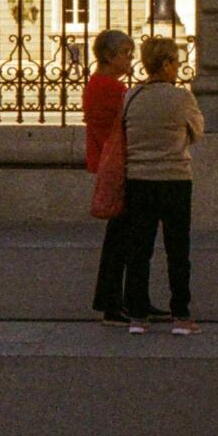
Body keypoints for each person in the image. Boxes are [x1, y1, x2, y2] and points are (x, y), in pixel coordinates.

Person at [117, 34, 203, 333]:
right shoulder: (182, 98)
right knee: (178, 249)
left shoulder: (132, 96)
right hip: (175, 179)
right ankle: (180, 314)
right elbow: (197, 132)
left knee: (139, 249)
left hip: (138, 179)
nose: (178, 67)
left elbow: (124, 132)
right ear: (166, 64)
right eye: (176, 61)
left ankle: (138, 315)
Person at [85, 28, 135, 318]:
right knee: (123, 240)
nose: (130, 60)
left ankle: (112, 299)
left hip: (110, 163)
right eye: (125, 54)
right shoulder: (112, 89)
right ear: (108, 56)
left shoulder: (98, 84)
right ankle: (114, 301)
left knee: (120, 238)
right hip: (119, 166)